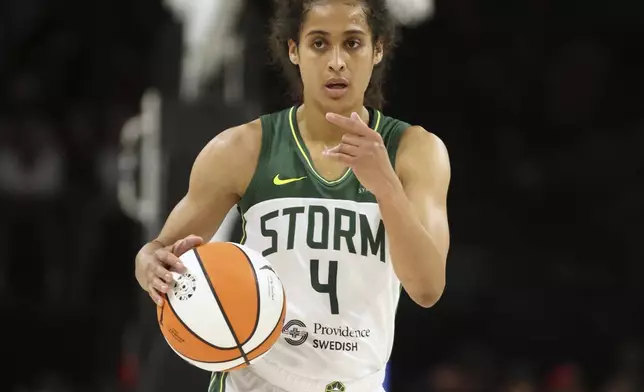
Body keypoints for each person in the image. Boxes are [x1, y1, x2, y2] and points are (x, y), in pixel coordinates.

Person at [134, 0, 451, 391]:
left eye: (352, 43)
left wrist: (385, 186)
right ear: (294, 50)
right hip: (254, 381)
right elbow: (158, 253)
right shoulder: (241, 149)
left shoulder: (415, 151)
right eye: (319, 43)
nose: (337, 61)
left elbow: (427, 288)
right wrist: (147, 263)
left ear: (378, 49)